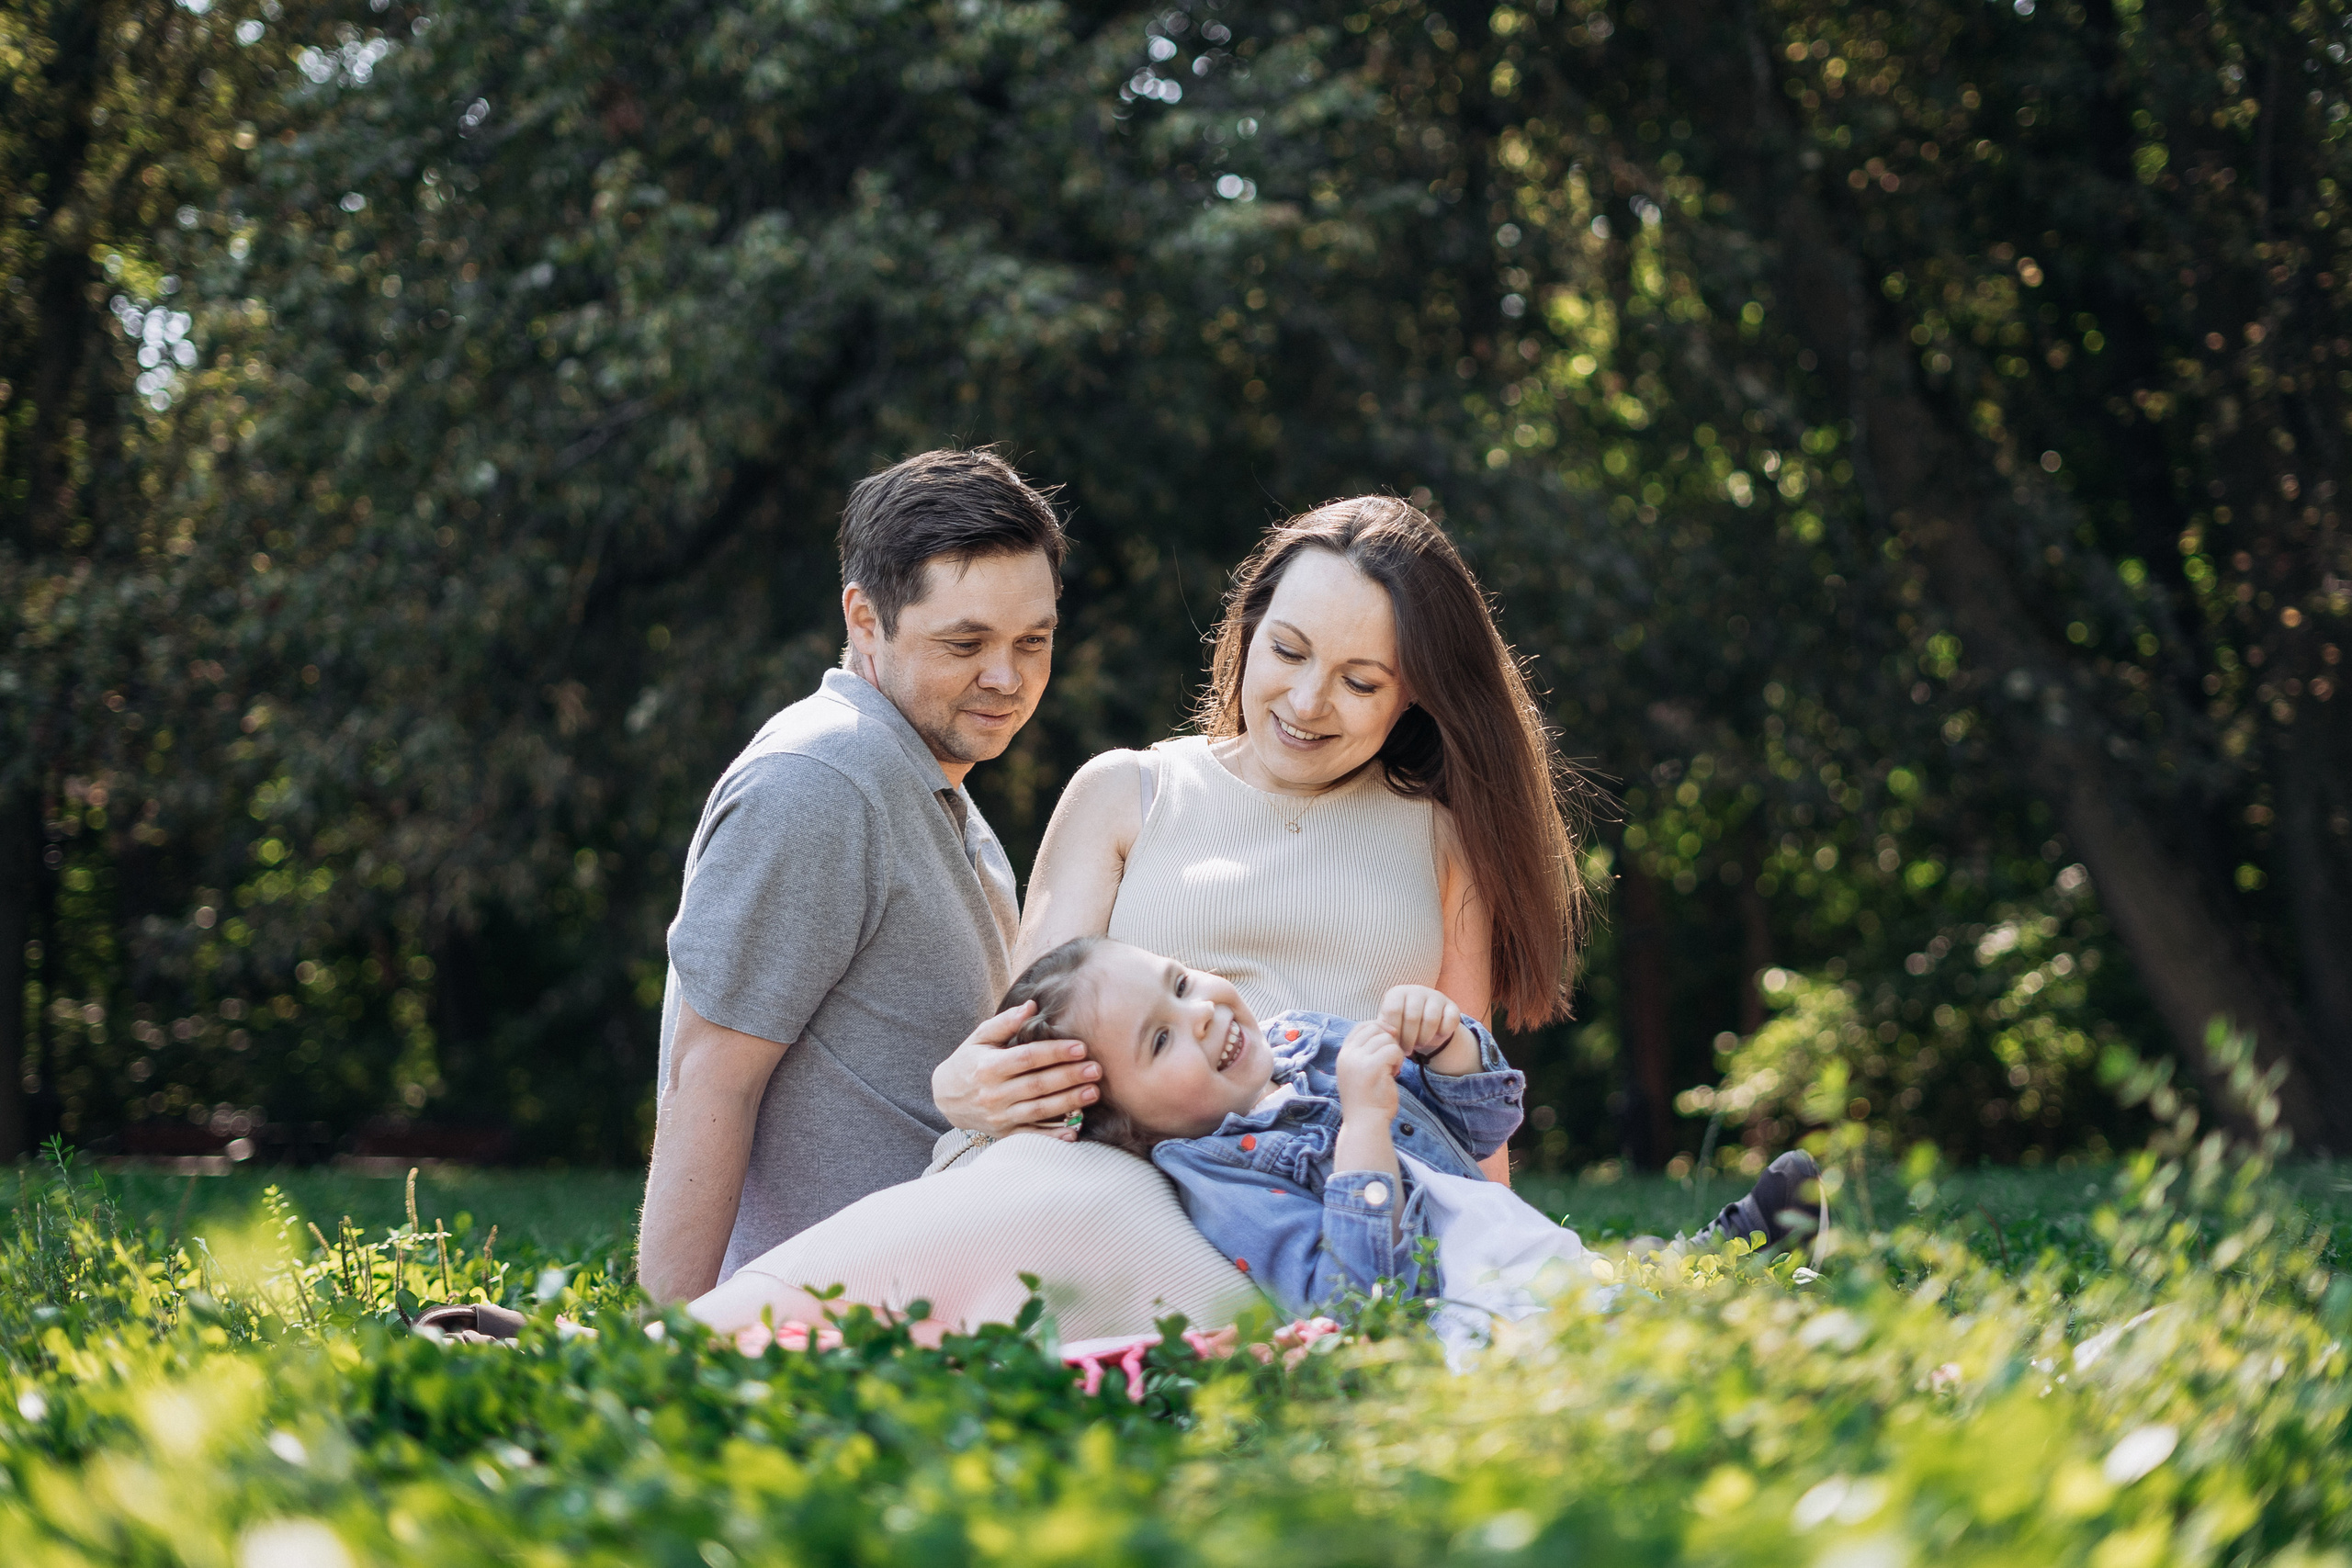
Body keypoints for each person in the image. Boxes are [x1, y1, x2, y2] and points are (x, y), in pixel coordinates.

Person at [934, 497, 1589, 1186]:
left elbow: (1467, 1098)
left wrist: (1495, 1232)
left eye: (1360, 681)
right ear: (1250, 630)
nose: (1307, 702)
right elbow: (1029, 1056)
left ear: (1416, 692)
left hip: (1348, 1201)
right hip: (1143, 1189)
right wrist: (958, 1089)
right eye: (1288, 651)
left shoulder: (1444, 838)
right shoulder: (1125, 793)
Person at [636, 448, 1106, 1303]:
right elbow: (710, 1077)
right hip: (821, 1329)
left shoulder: (927, 785)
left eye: (1033, 641)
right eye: (965, 642)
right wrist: (674, 1344)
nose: (1007, 677)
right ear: (864, 619)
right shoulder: (820, 779)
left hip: (929, 1315)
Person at [990, 937, 1824, 1319]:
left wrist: (1449, 1042)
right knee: (1609, 1319)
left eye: (1179, 982)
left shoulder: (1305, 1039)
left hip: (1529, 1254)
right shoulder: (1219, 1178)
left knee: (1615, 1286)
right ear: (1131, 1129)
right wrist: (1363, 1126)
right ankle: (1719, 1278)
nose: (1201, 1013)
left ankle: (1712, 1266)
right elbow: (1358, 1303)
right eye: (1159, 1038)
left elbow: (1486, 1123)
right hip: (1473, 1314)